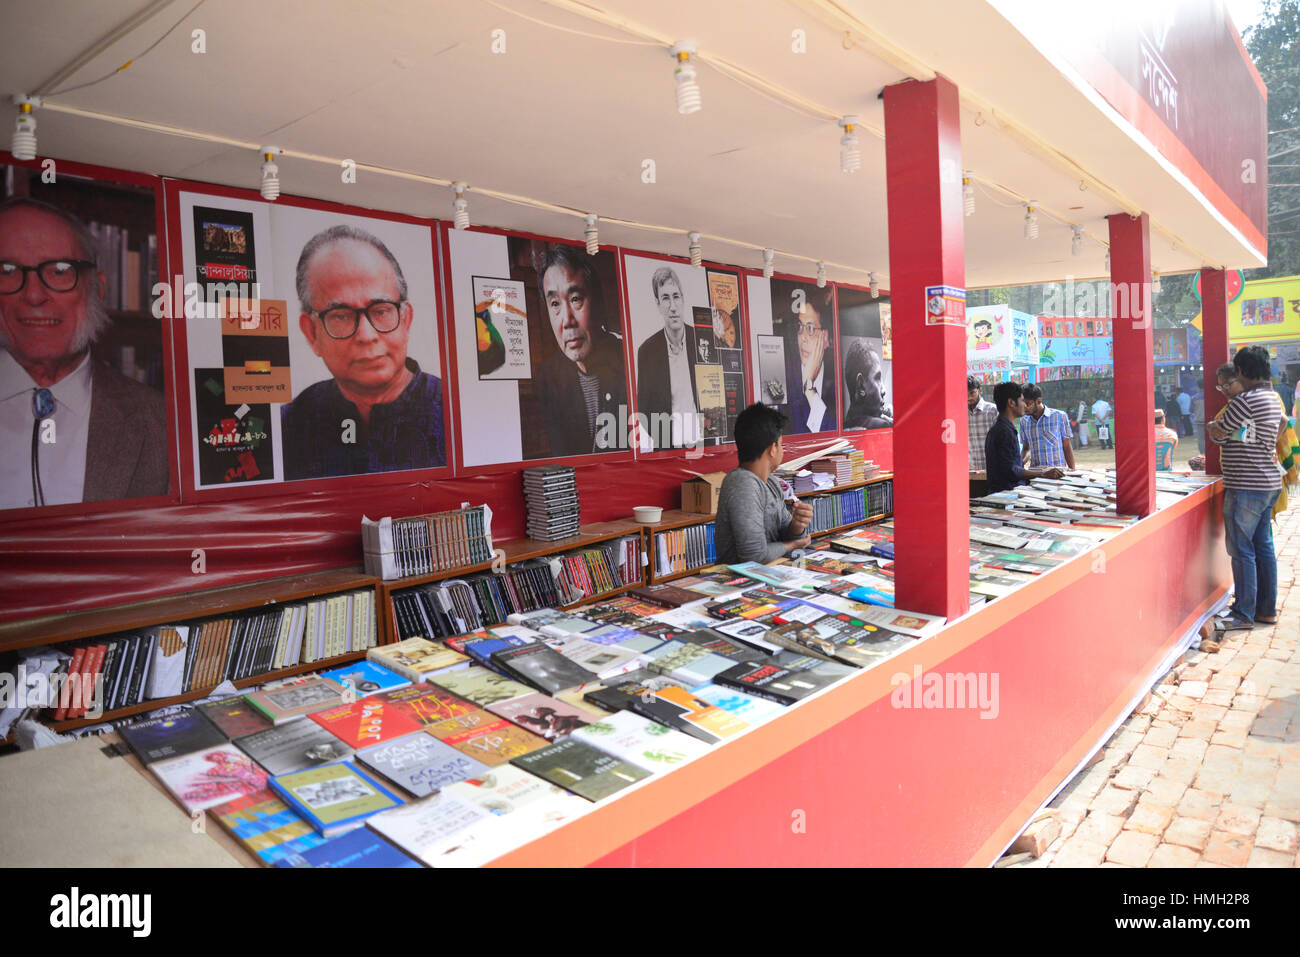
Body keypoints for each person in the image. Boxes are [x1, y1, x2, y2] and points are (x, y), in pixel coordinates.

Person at [0, 198, 168, 509]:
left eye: (60, 271)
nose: (34, 295)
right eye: (7, 270)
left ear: (98, 288)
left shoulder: (160, 423)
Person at [280, 224, 445, 479]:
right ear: (311, 333)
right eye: (342, 316)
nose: (366, 336)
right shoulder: (289, 427)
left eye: (380, 311)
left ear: (406, 319)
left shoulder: (454, 414)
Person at [1208, 345, 1284, 631]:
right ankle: (1265, 609)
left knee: (1241, 549)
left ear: (1241, 371)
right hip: (1266, 482)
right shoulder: (1272, 397)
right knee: (1263, 546)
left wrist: (1216, 428)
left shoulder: (1245, 401)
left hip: (1246, 484)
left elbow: (1220, 430)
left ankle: (1243, 613)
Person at [532, 243, 628, 458]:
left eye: (576, 299)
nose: (567, 321)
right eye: (555, 303)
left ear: (598, 304)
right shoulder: (548, 378)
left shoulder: (628, 362)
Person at [715, 403, 814, 564]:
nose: (783, 450)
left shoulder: (771, 483)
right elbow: (754, 556)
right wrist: (793, 544)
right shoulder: (743, 484)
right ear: (772, 449)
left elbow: (787, 533)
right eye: (781, 444)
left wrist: (797, 525)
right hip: (740, 583)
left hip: (772, 571)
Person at [636, 266, 698, 450]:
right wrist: (664, 440)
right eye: (665, 298)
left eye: (676, 296)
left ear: (683, 299)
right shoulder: (647, 351)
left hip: (702, 445)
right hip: (667, 448)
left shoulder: (702, 342)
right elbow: (644, 409)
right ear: (658, 304)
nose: (672, 307)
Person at [985, 381, 1065, 494]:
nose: (1025, 406)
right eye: (1022, 401)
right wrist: (1043, 474)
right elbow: (1011, 471)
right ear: (1011, 403)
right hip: (1007, 494)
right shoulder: (1004, 432)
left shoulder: (1003, 428)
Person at [785, 288, 837, 434]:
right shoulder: (787, 379)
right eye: (800, 327)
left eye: (811, 328)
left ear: (825, 338)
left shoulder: (836, 383)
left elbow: (831, 433)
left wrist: (809, 390)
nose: (803, 337)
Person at [1018, 383, 1075, 470]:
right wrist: (1019, 464)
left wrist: (1073, 470)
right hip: (1036, 474)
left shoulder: (1059, 416)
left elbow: (1066, 446)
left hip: (1057, 472)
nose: (1024, 408)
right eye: (1022, 404)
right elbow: (1026, 448)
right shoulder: (1024, 422)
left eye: (1028, 404)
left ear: (1039, 401)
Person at [841, 339, 893, 429]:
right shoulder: (883, 426)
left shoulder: (845, 424)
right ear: (861, 385)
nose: (884, 390)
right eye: (877, 378)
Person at [966, 375, 998, 471]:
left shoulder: (993, 410)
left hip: (993, 469)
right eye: (966, 393)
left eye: (972, 393)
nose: (969, 397)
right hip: (971, 471)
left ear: (980, 391)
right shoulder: (960, 414)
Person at [1191, 387, 1206, 454]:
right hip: (1210, 420)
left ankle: (1203, 454)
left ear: (1198, 386)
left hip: (1199, 420)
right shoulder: (1210, 396)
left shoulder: (1194, 397)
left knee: (1201, 439)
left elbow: (1191, 409)